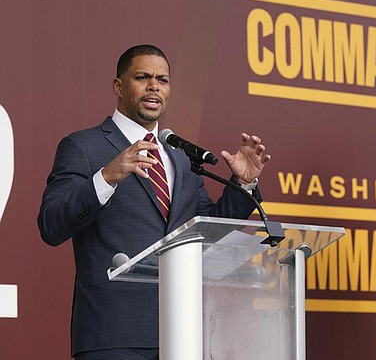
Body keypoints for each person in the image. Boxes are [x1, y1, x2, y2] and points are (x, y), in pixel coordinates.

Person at [37, 44, 271, 360]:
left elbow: (208, 231)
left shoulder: (181, 158)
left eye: (163, 79)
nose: (154, 86)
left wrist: (242, 183)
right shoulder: (84, 146)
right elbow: (52, 225)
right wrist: (106, 176)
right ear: (118, 86)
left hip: (183, 331)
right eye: (143, 77)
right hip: (114, 334)